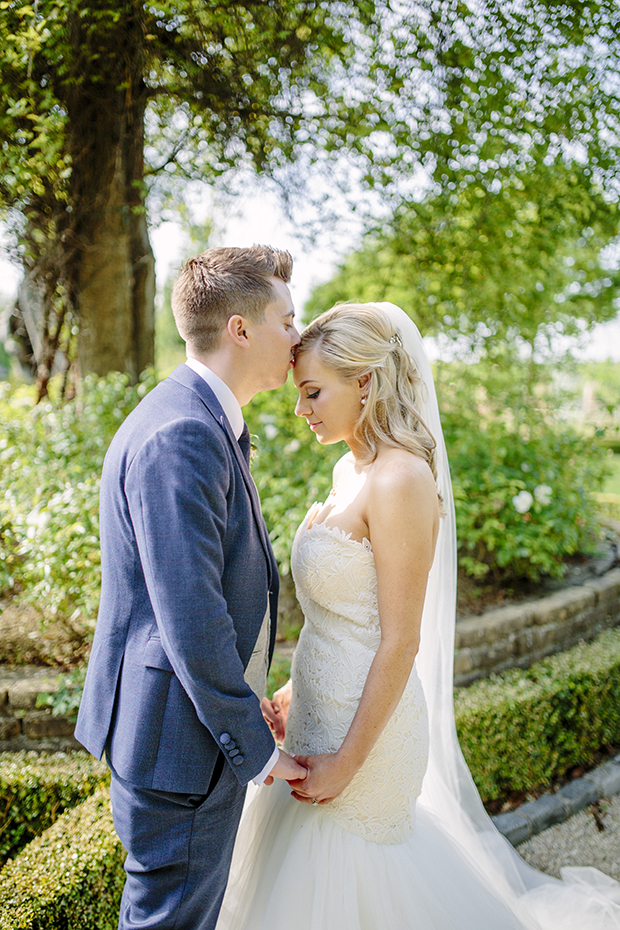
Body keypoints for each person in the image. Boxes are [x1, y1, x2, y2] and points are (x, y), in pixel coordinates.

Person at [216, 302, 620, 930]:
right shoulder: (346, 467)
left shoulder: (401, 480)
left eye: (314, 391)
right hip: (317, 715)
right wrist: (296, 691)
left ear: (366, 382)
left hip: (367, 737)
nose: (302, 409)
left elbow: (401, 638)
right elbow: (346, 614)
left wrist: (348, 762)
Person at [75, 245, 307, 930]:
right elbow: (191, 616)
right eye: (287, 320)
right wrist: (257, 749)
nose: (298, 337)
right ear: (240, 328)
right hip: (181, 750)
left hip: (179, 734)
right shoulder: (183, 433)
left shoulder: (198, 419)